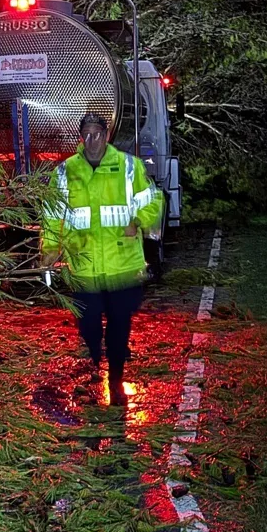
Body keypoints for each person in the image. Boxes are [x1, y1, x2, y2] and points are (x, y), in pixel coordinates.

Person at [40, 112, 164, 406]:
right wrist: (49, 249)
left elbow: (154, 201)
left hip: (122, 267)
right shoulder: (65, 172)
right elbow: (53, 215)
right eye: (87, 134)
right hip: (84, 268)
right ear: (80, 137)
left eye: (97, 133)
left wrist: (139, 220)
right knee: (89, 327)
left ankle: (116, 381)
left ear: (107, 136)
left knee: (119, 327)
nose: (92, 139)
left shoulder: (128, 167)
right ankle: (96, 357)